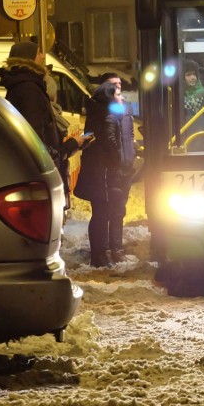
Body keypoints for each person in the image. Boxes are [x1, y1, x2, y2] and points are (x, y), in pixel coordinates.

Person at [3, 40, 84, 203]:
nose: (42, 55)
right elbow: (37, 144)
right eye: (39, 52)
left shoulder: (24, 87)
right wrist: (71, 145)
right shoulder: (29, 90)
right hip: (43, 178)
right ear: (29, 59)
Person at [74, 81, 135, 267]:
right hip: (105, 172)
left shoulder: (96, 112)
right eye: (117, 94)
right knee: (103, 213)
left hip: (96, 170)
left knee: (99, 213)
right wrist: (118, 162)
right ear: (109, 97)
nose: (121, 98)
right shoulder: (108, 115)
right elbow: (111, 142)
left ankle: (99, 255)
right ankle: (100, 256)